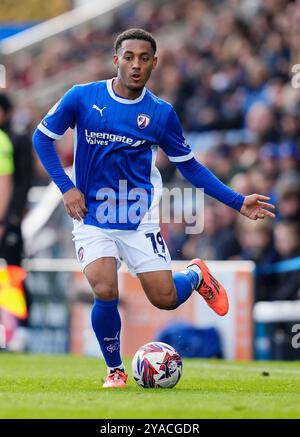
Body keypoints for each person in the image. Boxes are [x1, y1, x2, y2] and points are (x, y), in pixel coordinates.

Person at [33, 28, 275, 388]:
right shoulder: (82, 97)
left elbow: (190, 167)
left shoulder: (161, 115)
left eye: (144, 59)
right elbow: (42, 138)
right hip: (91, 213)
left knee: (163, 298)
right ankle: (115, 369)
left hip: (137, 213)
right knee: (104, 288)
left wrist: (238, 201)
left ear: (154, 64)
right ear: (116, 60)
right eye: (128, 57)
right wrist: (67, 188)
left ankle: (195, 276)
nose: (135, 65)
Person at [0, 93, 33, 351]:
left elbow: (20, 183)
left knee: (14, 274)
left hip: (9, 220)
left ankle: (20, 328)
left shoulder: (17, 139)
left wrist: (10, 218)